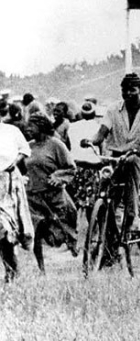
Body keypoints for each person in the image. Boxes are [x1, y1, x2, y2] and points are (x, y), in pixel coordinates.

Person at [81, 73, 140, 234]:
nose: (128, 93)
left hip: (139, 157)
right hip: (116, 157)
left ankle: (132, 215)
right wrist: (90, 140)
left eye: (132, 90)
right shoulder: (113, 109)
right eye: (124, 90)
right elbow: (101, 134)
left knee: (131, 163)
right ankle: (108, 234)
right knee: (104, 190)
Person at [25, 114, 79, 272]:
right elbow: (21, 166)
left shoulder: (56, 145)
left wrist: (58, 177)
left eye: (31, 126)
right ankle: (41, 268)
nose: (28, 129)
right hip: (33, 196)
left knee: (61, 229)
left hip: (53, 196)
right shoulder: (28, 146)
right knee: (36, 231)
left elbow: (71, 168)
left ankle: (71, 243)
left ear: (41, 126)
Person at [0, 100, 34, 282]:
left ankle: (12, 271)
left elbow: (25, 149)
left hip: (8, 183)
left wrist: (14, 162)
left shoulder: (11, 131)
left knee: (7, 228)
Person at [67, 101, 103, 219]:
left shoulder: (72, 127)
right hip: (92, 167)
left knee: (73, 201)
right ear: (94, 114)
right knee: (91, 204)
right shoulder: (98, 127)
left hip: (76, 166)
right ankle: (92, 227)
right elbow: (103, 148)